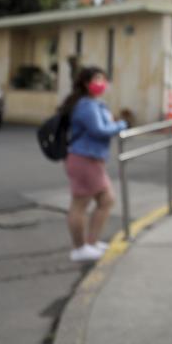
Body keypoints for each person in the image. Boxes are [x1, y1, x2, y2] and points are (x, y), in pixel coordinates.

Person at [61, 67, 125, 263]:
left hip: (92, 159)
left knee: (106, 200)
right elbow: (100, 131)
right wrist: (121, 125)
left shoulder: (96, 104)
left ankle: (91, 242)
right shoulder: (86, 106)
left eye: (103, 79)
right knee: (80, 204)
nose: (101, 83)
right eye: (96, 79)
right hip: (84, 159)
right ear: (85, 83)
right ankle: (79, 249)